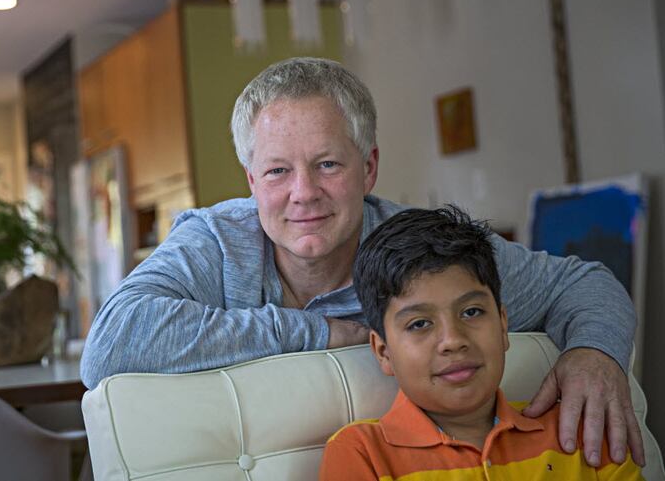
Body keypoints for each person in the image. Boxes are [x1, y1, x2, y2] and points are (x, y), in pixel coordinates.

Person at [81, 57, 644, 467]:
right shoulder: (214, 243)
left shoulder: (424, 253)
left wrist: (594, 354)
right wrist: (320, 332)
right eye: (277, 171)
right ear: (251, 181)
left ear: (369, 168)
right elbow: (110, 344)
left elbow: (585, 283)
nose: (303, 193)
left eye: (328, 164)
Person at [319, 206, 642, 479]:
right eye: (419, 324)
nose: (453, 340)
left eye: (471, 312)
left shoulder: (584, 429)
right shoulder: (363, 453)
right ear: (383, 351)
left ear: (503, 326)